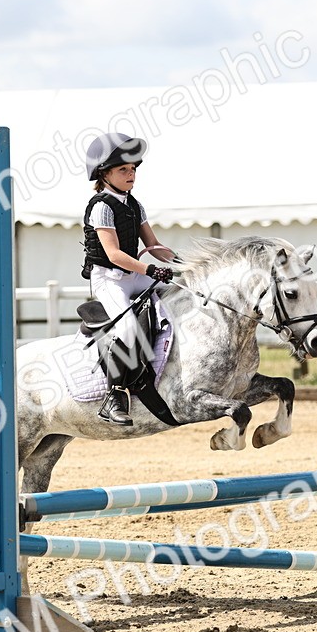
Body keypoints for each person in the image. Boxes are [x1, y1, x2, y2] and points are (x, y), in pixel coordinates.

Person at [82, 132, 176, 426]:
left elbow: (154, 246)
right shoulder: (101, 207)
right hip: (109, 280)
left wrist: (184, 264)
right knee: (127, 329)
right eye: (123, 169)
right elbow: (112, 254)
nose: (131, 173)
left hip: (133, 275)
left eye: (133, 168)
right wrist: (149, 270)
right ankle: (114, 396)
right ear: (104, 173)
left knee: (177, 296)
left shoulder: (135, 205)